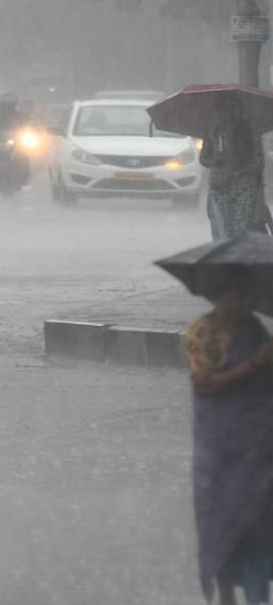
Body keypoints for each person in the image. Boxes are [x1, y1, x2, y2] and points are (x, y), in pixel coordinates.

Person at [185, 268, 273, 605]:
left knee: (259, 525)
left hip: (258, 447)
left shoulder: (254, 328)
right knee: (221, 524)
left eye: (250, 295)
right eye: (241, 295)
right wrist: (254, 362)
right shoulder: (204, 331)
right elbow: (204, 385)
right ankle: (225, 599)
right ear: (222, 296)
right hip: (220, 450)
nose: (248, 302)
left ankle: (256, 597)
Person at [201, 93, 270, 240]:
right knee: (221, 229)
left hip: (244, 187)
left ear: (239, 109)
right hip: (219, 187)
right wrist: (214, 159)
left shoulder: (250, 131)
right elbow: (204, 159)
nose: (229, 111)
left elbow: (257, 162)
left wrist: (233, 174)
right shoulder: (214, 131)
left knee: (240, 229)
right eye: (224, 107)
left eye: (233, 107)